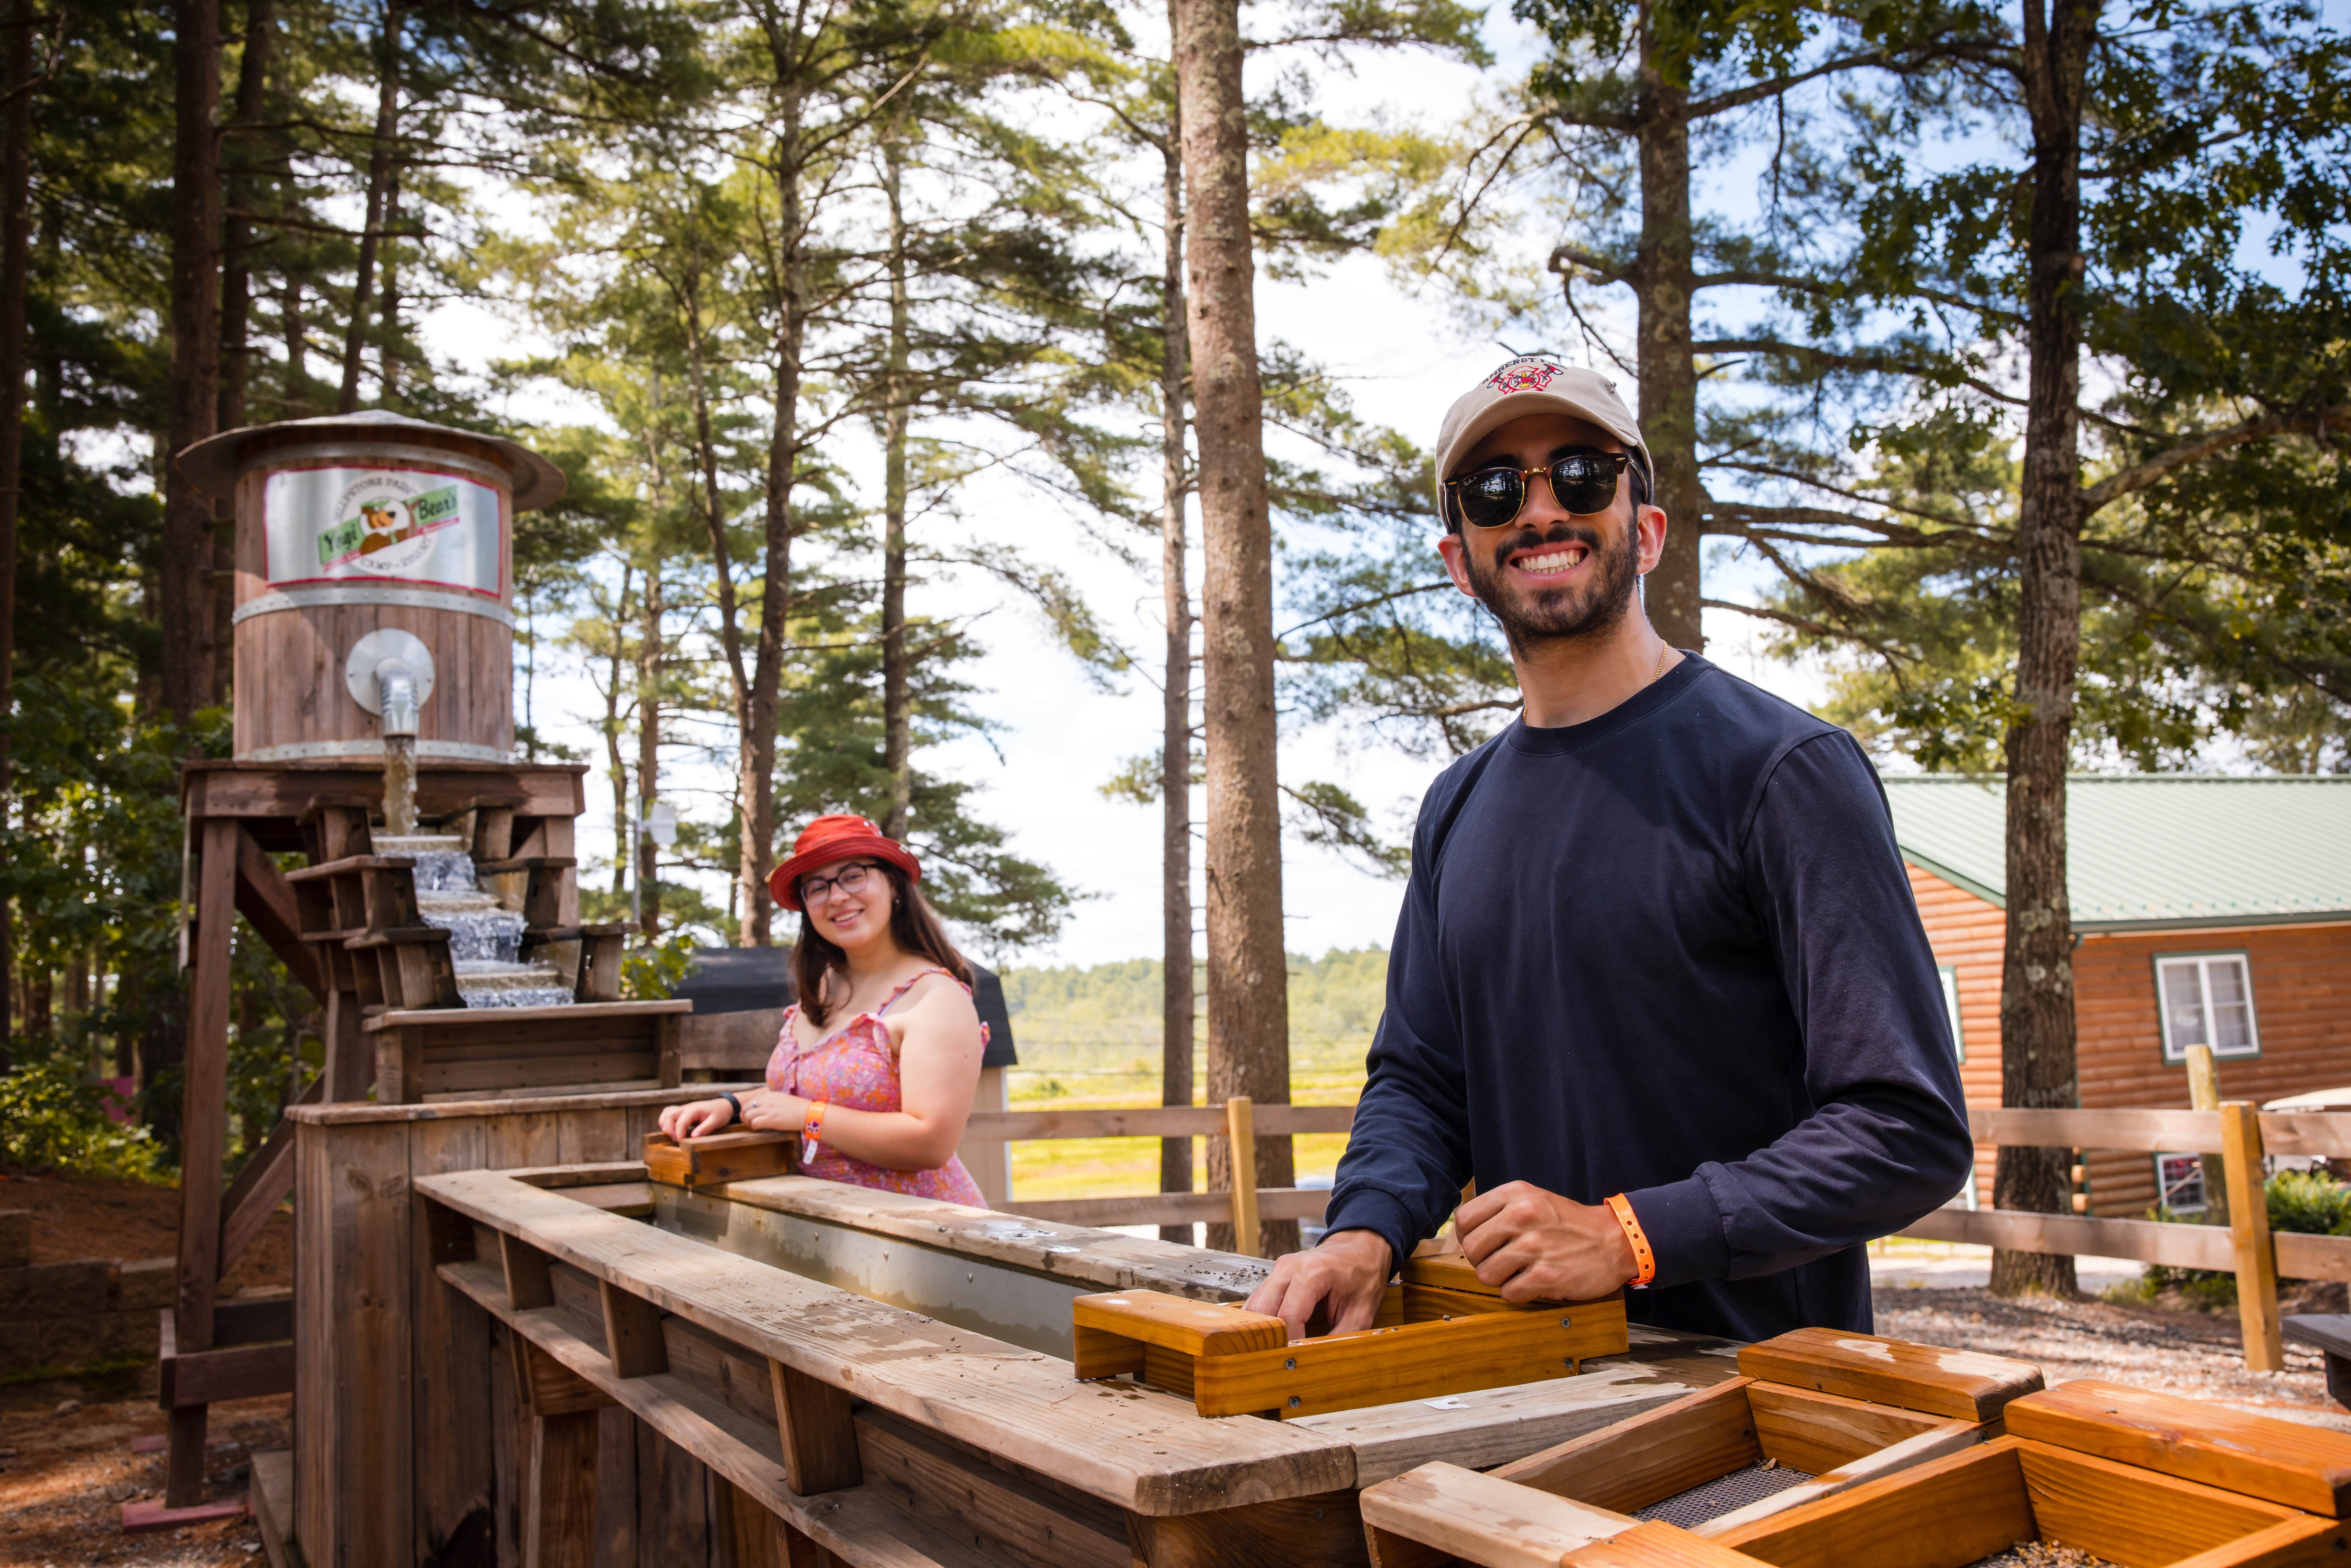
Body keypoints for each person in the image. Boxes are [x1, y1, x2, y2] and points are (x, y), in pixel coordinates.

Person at [1245, 354, 1974, 1344]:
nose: (1540, 511)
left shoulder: (1784, 771)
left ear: (1649, 528)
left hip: (1759, 1405)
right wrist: (1361, 1231)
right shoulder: (1456, 807)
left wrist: (1631, 1236)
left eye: (1582, 474)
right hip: (1521, 1391)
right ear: (1461, 559)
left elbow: (1907, 1129)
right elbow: (1421, 1081)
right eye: (1496, 490)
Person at [658, 814, 990, 1204]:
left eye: (853, 876)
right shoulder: (825, 987)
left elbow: (931, 1143)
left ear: (893, 884)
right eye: (816, 888)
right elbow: (815, 1090)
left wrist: (808, 1117)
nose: (836, 897)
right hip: (829, 1228)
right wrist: (729, 1106)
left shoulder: (936, 998)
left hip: (922, 1236)